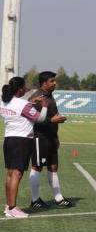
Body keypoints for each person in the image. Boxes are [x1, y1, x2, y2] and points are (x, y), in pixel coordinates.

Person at [1, 77, 48, 218]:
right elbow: (40, 118)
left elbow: (17, 110)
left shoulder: (4, 100)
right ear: (20, 89)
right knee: (17, 174)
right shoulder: (23, 104)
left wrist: (29, 104)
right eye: (24, 87)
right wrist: (44, 105)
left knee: (10, 174)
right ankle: (13, 208)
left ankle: (9, 206)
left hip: (8, 139)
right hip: (21, 141)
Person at [29, 71, 71, 208]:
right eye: (52, 81)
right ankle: (35, 200)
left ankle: (58, 198)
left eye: (54, 81)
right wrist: (53, 120)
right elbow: (33, 119)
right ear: (44, 83)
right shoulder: (37, 97)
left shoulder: (50, 96)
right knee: (37, 167)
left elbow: (51, 116)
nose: (55, 83)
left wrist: (56, 136)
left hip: (51, 137)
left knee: (53, 167)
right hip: (40, 137)